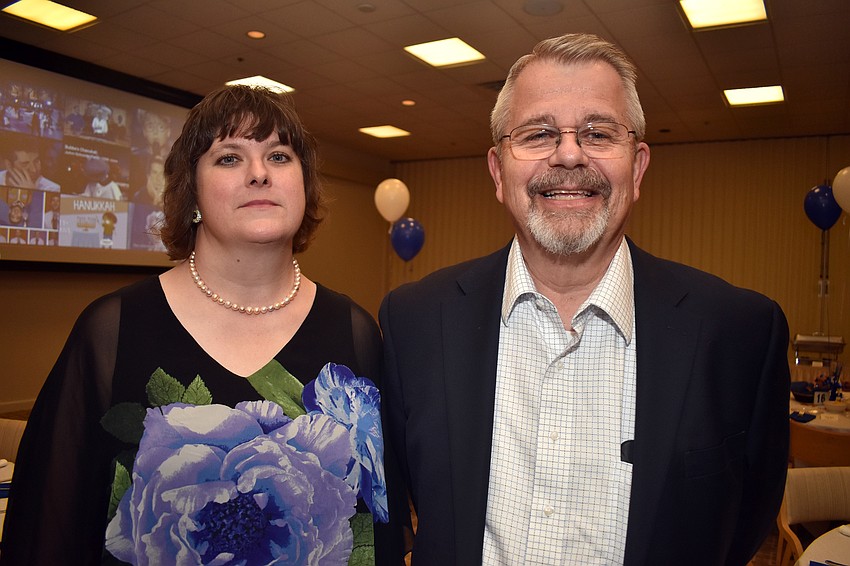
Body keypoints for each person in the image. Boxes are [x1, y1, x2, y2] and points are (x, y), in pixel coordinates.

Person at [379, 33, 790, 565]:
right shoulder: (415, 322)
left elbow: (743, 524)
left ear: (637, 168)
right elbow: (399, 506)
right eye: (538, 133)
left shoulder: (739, 332)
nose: (569, 154)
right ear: (498, 172)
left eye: (598, 133)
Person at [2, 85, 406, 565]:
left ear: (304, 185)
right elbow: (46, 531)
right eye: (229, 158)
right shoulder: (112, 330)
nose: (259, 174)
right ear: (190, 191)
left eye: (279, 156)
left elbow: (380, 526)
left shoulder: (356, 331)